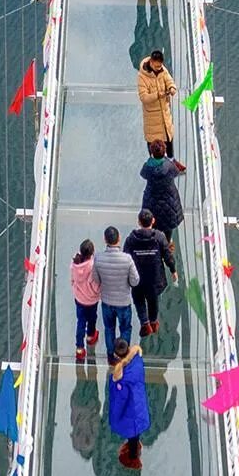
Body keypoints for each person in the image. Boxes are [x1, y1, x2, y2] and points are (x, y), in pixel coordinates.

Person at [123, 209, 174, 335]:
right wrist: (173, 269)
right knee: (153, 299)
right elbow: (167, 255)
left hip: (137, 277)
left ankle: (144, 323)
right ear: (153, 221)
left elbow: (125, 258)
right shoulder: (160, 237)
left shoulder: (131, 239)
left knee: (138, 299)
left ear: (139, 222)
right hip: (155, 278)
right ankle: (153, 322)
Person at [93, 225, 140, 353]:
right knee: (125, 329)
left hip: (107, 302)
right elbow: (135, 281)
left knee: (109, 329)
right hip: (123, 302)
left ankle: (111, 355)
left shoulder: (98, 258)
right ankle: (123, 354)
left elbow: (96, 280)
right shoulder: (127, 259)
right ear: (119, 239)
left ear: (105, 239)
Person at [139, 140, 186, 268]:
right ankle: (167, 248)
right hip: (168, 201)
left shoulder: (147, 167)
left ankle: (156, 251)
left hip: (152, 201)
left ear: (152, 152)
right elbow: (176, 172)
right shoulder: (169, 165)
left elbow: (142, 174)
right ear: (164, 151)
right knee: (168, 227)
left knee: (154, 226)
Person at [107, 339, 150, 469]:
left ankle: (133, 458)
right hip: (138, 405)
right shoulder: (137, 361)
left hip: (130, 412)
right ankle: (134, 446)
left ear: (116, 355)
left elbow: (120, 400)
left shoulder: (121, 379)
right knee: (135, 432)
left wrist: (115, 415)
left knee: (133, 433)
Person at [137, 49, 177, 155]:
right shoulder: (142, 77)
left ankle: (171, 161)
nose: (159, 68)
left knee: (169, 137)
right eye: (156, 67)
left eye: (160, 66)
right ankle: (154, 163)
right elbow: (144, 97)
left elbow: (169, 80)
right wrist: (158, 95)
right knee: (153, 142)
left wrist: (172, 87)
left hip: (164, 114)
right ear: (150, 62)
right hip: (152, 117)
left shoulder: (162, 70)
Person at [70, 238, 101, 363]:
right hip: (91, 300)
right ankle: (90, 336)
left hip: (79, 298)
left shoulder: (74, 264)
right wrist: (99, 291)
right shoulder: (92, 266)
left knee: (80, 321)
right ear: (92, 252)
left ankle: (79, 348)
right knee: (92, 318)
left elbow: (72, 280)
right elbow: (95, 285)